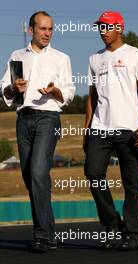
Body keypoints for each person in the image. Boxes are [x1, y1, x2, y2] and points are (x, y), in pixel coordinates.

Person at [1, 11, 75, 252]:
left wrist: (56, 92)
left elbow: (70, 92)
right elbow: (6, 91)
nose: (47, 33)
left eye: (50, 29)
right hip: (23, 118)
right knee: (30, 177)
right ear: (31, 30)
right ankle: (48, 232)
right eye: (43, 29)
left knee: (38, 172)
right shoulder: (16, 56)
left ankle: (43, 235)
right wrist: (14, 86)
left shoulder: (61, 58)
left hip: (49, 118)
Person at [84, 11, 138, 250]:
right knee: (93, 175)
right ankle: (113, 226)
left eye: (107, 27)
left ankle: (132, 233)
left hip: (128, 130)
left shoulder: (136, 54)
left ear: (119, 28)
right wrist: (87, 130)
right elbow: (91, 99)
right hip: (100, 129)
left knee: (131, 182)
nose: (102, 31)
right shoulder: (94, 58)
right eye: (100, 27)